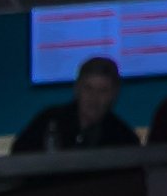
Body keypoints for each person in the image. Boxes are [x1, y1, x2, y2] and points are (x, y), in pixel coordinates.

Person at [11, 56, 139, 156]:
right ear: (77, 89)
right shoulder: (48, 122)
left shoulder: (124, 139)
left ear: (114, 94)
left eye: (103, 90)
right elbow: (19, 157)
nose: (94, 98)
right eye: (88, 88)